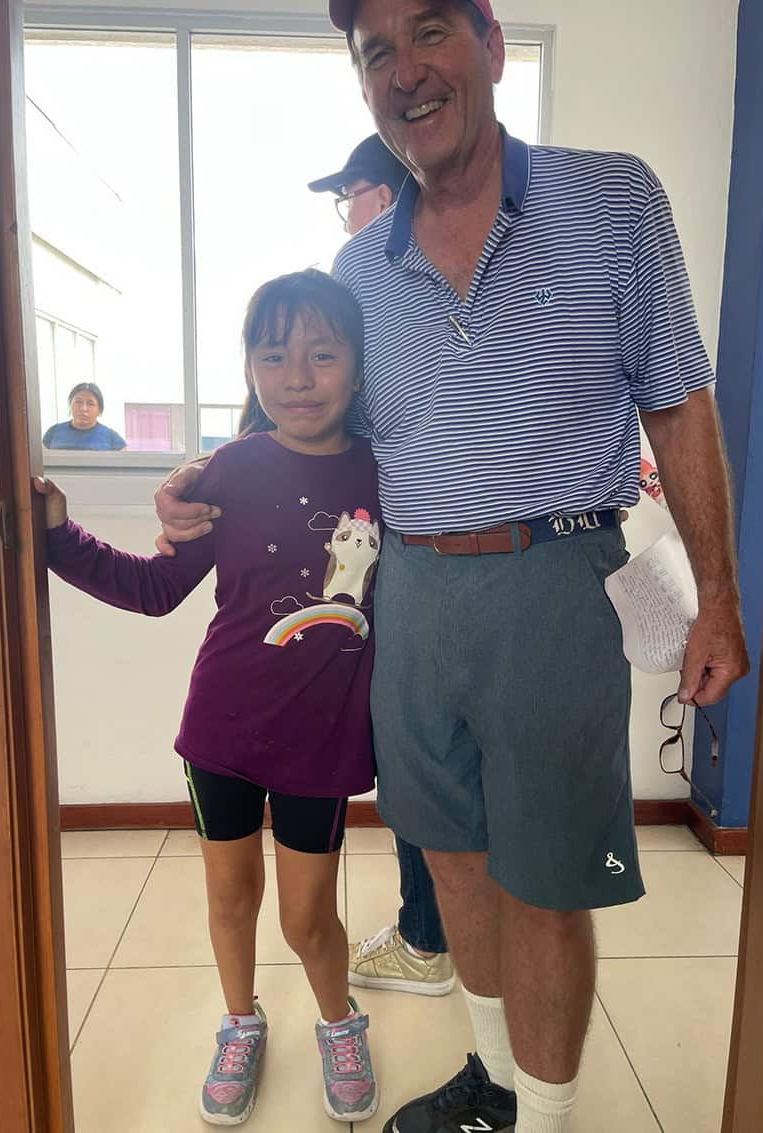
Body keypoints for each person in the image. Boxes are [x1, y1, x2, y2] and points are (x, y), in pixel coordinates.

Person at [154, 2, 751, 1130]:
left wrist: (717, 595)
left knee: (544, 881)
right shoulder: (358, 266)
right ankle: (494, 1082)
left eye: (428, 33)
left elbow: (676, 396)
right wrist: (196, 485)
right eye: (375, 52)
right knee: (459, 863)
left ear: (489, 43)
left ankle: (552, 1114)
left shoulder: (613, 199)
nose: (405, 71)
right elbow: (304, 420)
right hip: (411, 596)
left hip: (555, 579)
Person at [36, 270, 381, 1127]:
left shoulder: (390, 472)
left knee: (308, 919)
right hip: (223, 731)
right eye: (274, 356)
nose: (297, 376)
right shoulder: (230, 467)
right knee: (231, 897)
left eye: (321, 354)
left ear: (357, 362)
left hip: (324, 741)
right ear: (251, 369)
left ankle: (340, 1022)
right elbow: (155, 589)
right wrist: (56, 536)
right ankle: (240, 1022)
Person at [311, 135, 455, 997]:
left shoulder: (365, 277)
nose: (349, 214)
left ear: (395, 191)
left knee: (416, 757)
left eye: (355, 193)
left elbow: (321, 411)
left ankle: (427, 938)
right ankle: (438, 928)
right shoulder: (400, 277)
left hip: (412, 560)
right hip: (412, 554)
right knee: (434, 754)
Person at [42, 382, 127, 450]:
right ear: (70, 405)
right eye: (78, 402)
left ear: (99, 411)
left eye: (90, 404)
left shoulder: (113, 439)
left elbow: (124, 468)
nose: (83, 408)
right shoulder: (53, 433)